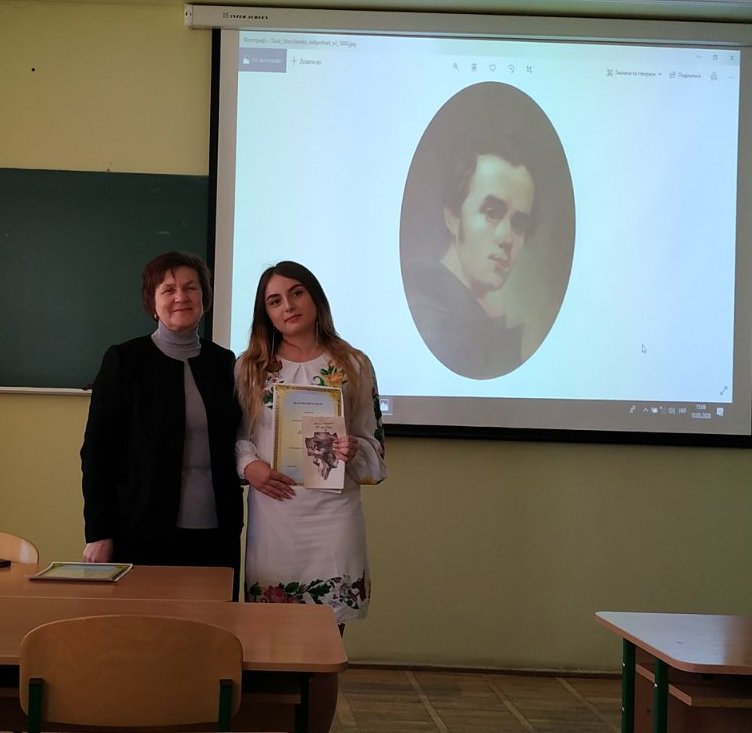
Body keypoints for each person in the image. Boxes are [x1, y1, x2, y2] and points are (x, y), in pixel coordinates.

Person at [80, 251, 244, 596]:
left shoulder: (224, 363)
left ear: (204, 297)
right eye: (168, 289)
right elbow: (97, 454)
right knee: (146, 625)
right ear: (153, 303)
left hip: (217, 533)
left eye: (191, 287)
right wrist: (98, 532)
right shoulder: (124, 360)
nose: (181, 296)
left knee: (215, 625)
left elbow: (238, 440)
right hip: (141, 531)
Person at [403, 142, 535, 379]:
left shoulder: (480, 321)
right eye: (492, 213)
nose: (507, 238)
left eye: (519, 223)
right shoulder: (428, 317)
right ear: (453, 218)